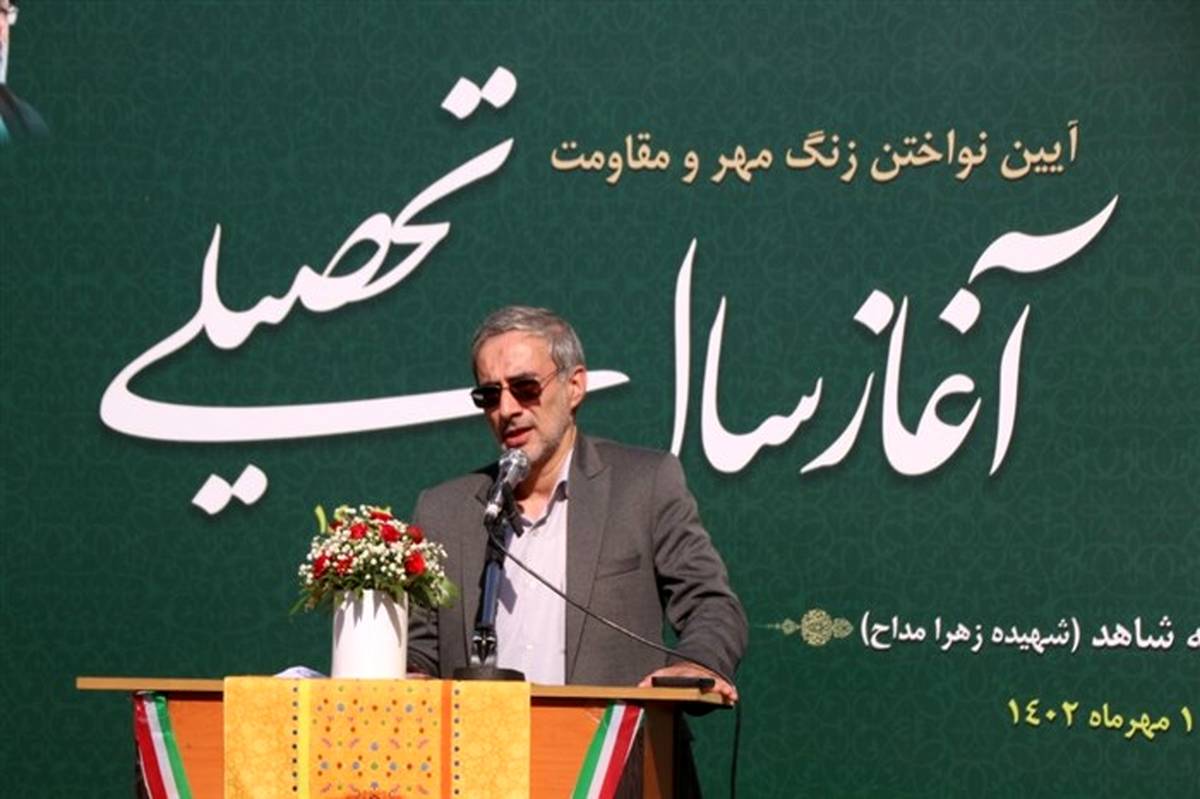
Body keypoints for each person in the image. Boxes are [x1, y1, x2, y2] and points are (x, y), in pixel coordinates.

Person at [407, 306, 747, 702]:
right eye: (490, 395)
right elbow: (419, 651)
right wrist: (407, 678)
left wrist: (696, 665)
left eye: (525, 387)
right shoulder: (444, 511)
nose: (507, 410)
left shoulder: (644, 485)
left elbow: (711, 604)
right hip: (483, 740)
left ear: (574, 386)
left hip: (613, 740)